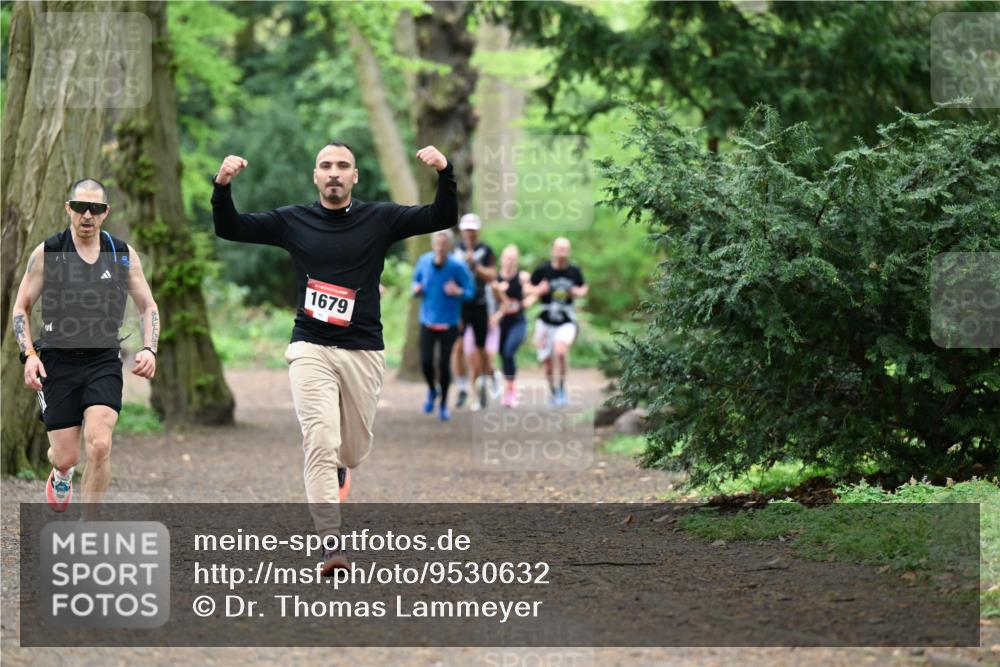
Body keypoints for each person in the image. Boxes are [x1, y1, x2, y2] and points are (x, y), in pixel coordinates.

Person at [211, 142, 456, 574]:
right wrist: (222, 185)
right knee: (320, 440)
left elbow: (440, 217)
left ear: (354, 176)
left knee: (352, 451)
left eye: (343, 166)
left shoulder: (379, 218)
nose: (334, 172)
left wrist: (445, 172)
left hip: (363, 349)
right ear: (316, 176)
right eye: (326, 166)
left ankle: (342, 467)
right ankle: (331, 543)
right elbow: (231, 227)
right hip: (311, 345)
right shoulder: (293, 220)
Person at [11, 178, 159, 515]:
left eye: (95, 208)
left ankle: (88, 526)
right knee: (66, 456)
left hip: (102, 361)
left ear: (105, 212)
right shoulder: (48, 253)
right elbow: (22, 307)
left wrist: (149, 348)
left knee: (100, 445)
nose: (87, 215)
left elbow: (147, 306)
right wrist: (29, 356)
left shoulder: (121, 255)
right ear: (69, 209)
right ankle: (61, 472)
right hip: (56, 362)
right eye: (80, 207)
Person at [412, 230, 475, 421]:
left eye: (444, 244)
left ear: (449, 246)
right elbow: (415, 282)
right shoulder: (424, 261)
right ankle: (433, 390)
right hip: (428, 320)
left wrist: (458, 291)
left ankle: (443, 404)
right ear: (433, 244)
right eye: (438, 243)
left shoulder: (457, 266)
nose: (440, 247)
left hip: (449, 323)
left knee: (444, 364)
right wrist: (417, 289)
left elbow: (470, 291)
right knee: (426, 362)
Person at [530, 237, 588, 407]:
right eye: (559, 248)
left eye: (565, 249)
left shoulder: (574, 271)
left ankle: (562, 388)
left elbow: (584, 288)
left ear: (569, 252)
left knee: (561, 351)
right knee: (548, 364)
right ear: (553, 250)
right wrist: (538, 290)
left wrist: (577, 292)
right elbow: (527, 288)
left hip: (566, 320)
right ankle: (553, 392)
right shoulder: (543, 269)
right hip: (545, 321)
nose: (562, 252)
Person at [450, 213, 496, 411]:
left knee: (480, 349)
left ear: (477, 231)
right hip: (459, 305)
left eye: (472, 230)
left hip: (480, 304)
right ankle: (461, 387)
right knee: (457, 345)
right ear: (462, 231)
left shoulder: (485, 250)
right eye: (466, 229)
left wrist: (475, 265)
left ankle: (484, 384)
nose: (469, 233)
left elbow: (492, 275)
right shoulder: (454, 250)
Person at [491, 244, 535, 408]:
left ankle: (511, 389)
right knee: (502, 354)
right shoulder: (495, 279)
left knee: (509, 351)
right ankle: (508, 388)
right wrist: (497, 291)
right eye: (507, 258)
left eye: (513, 258)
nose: (510, 261)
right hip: (501, 323)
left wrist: (525, 303)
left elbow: (533, 294)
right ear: (502, 259)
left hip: (518, 322)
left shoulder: (522, 278)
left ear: (517, 260)